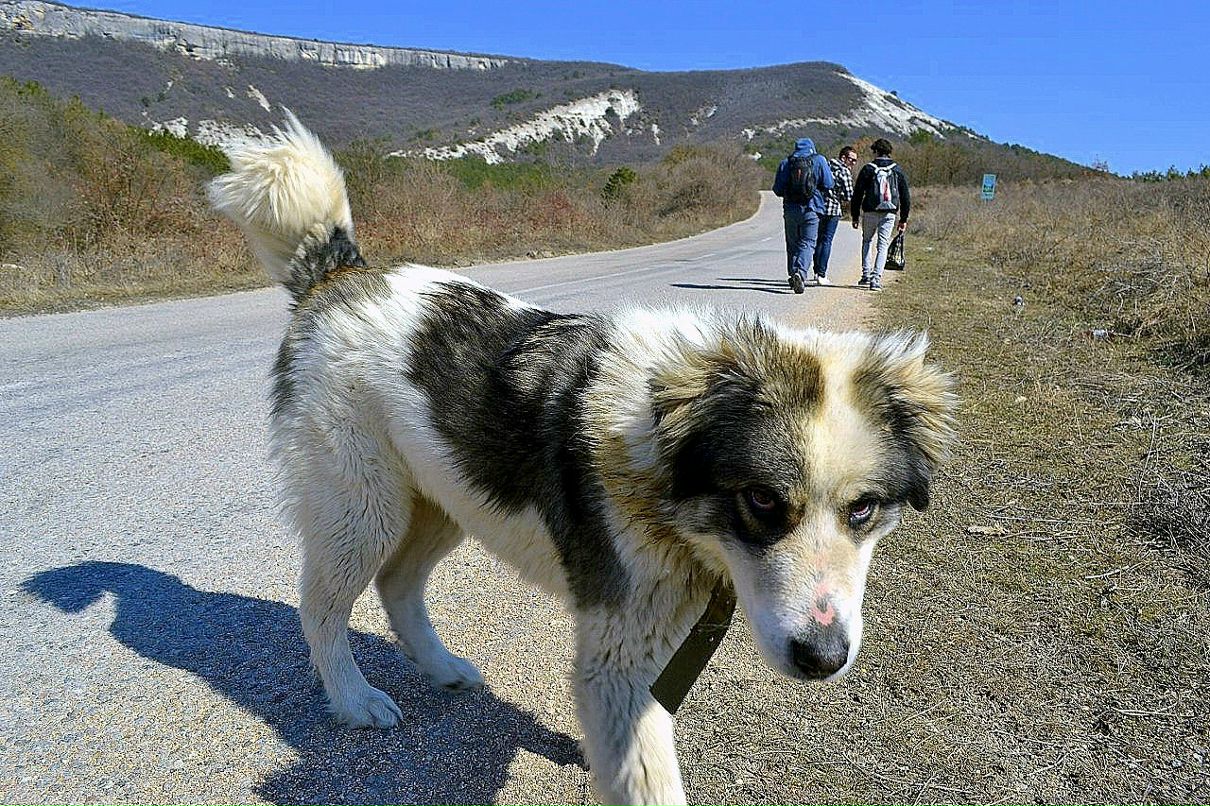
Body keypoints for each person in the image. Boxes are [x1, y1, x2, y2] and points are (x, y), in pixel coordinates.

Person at [772, 137, 834, 294]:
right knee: (807, 242)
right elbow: (829, 183)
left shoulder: (786, 162)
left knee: (792, 243)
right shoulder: (819, 160)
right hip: (812, 209)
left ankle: (793, 274)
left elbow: (777, 189)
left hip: (790, 209)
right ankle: (800, 273)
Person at [850, 138, 911, 292]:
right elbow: (905, 197)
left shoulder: (868, 169)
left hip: (870, 211)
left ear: (875, 151)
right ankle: (876, 279)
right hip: (889, 213)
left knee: (867, 241)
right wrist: (903, 219)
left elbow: (857, 194)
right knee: (882, 245)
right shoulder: (897, 170)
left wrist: (855, 215)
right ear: (889, 152)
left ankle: (865, 274)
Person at [812, 146, 857, 285]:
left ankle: (815, 271)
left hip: (818, 207)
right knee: (827, 241)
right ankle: (822, 273)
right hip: (833, 209)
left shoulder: (825, 166)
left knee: (818, 240)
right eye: (852, 160)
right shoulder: (844, 172)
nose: (853, 163)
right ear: (843, 158)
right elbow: (849, 195)